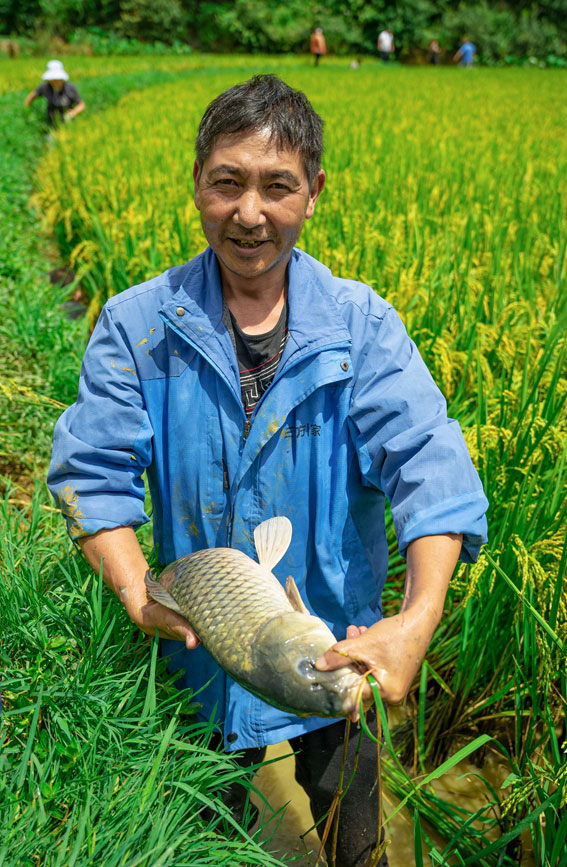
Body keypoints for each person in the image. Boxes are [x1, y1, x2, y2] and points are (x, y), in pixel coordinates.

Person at [47, 74, 488, 866]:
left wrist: (414, 621)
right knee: (200, 831)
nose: (249, 213)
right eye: (228, 183)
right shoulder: (138, 324)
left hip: (327, 654)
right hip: (201, 648)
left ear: (313, 193)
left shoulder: (362, 326)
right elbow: (92, 470)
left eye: (277, 187)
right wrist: (131, 590)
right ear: (196, 186)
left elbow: (431, 465)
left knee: (353, 823)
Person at [24, 59, 85, 127]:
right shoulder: (45, 87)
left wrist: (73, 112)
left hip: (68, 123)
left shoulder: (70, 88)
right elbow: (32, 95)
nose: (54, 82)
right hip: (51, 123)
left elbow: (81, 105)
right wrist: (26, 109)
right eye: (52, 80)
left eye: (57, 79)